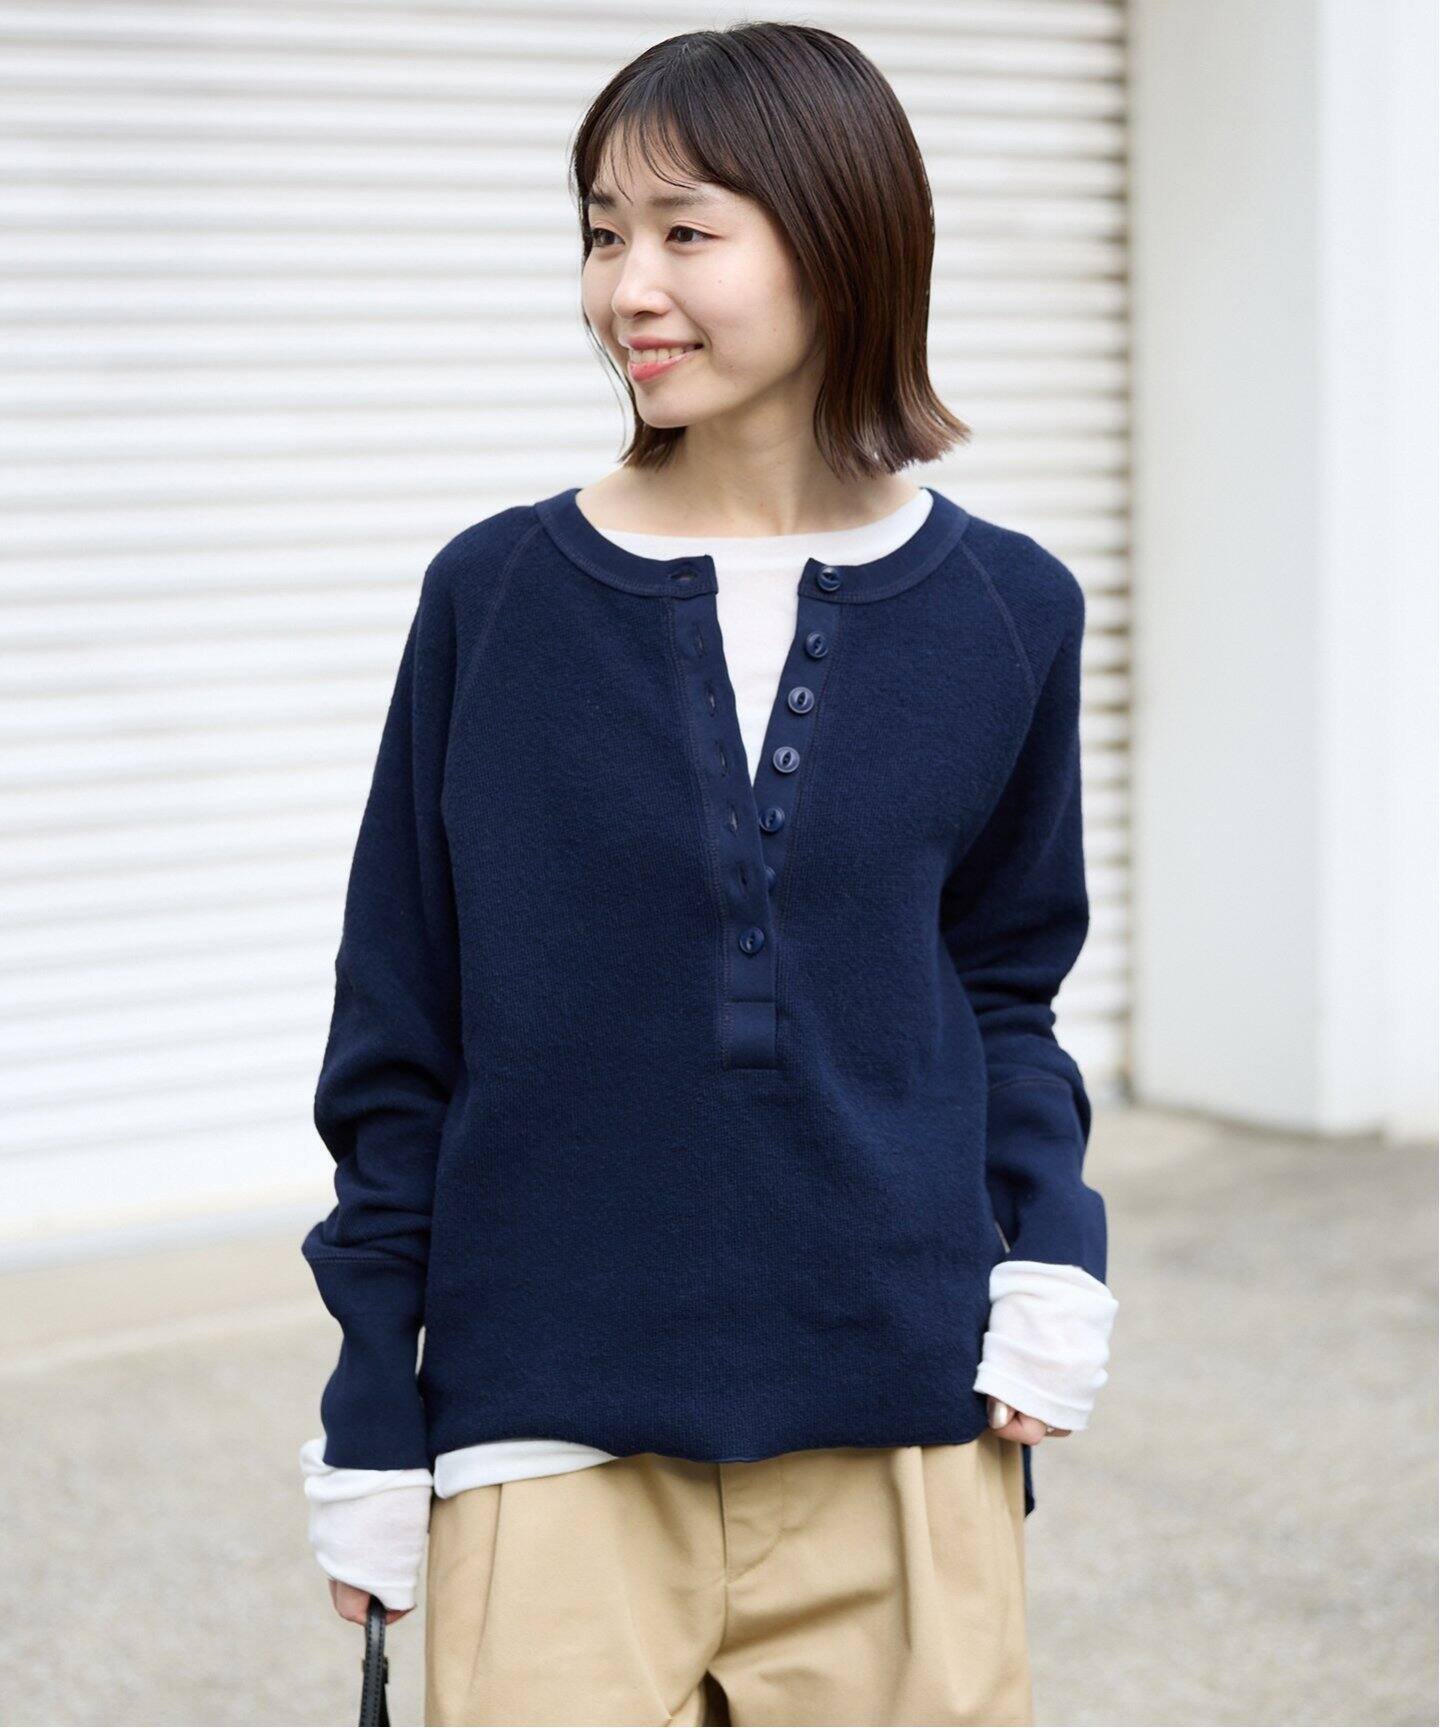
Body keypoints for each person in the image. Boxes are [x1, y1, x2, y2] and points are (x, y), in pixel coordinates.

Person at [298, 21, 1118, 1726]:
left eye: (686, 232)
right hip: (547, 1432)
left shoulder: (1008, 610)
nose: (627, 290)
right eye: (603, 233)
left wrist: (1053, 1248)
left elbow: (1001, 985)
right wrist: (375, 1403)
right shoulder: (495, 601)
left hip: (905, 1420)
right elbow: (399, 1035)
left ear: (841, 238)